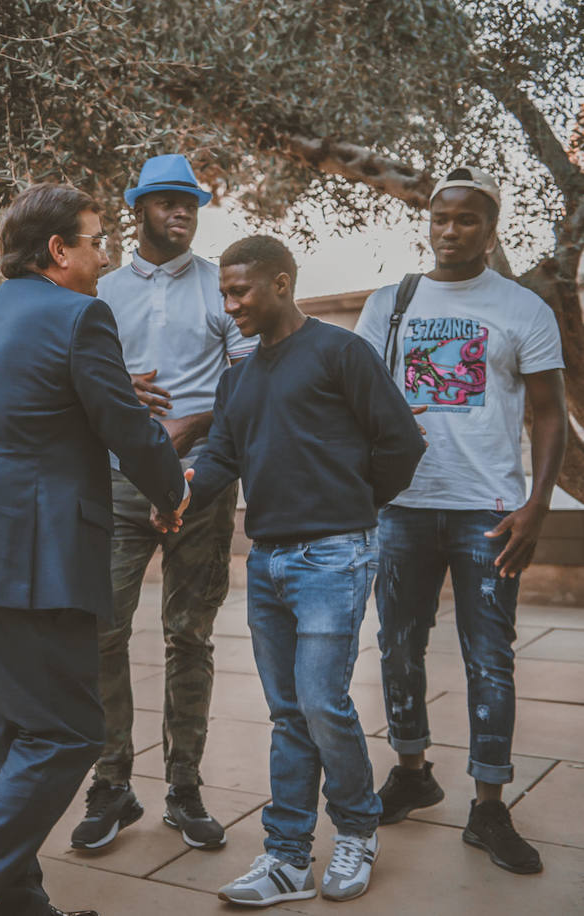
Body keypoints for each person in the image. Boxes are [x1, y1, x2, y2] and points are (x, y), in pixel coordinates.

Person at [0, 183, 187, 916]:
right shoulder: (81, 315)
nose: (106, 253)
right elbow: (125, 426)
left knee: (3, 734)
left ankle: (20, 903)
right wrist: (172, 490)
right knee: (68, 733)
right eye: (97, 239)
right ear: (59, 251)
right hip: (34, 565)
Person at [180, 236, 424, 906]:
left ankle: (356, 830)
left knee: (321, 701)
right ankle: (287, 858)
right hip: (267, 561)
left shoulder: (341, 352)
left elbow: (400, 443)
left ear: (281, 283)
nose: (230, 306)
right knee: (290, 713)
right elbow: (221, 459)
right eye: (224, 294)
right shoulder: (239, 377)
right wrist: (173, 489)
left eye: (241, 292)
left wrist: (354, 504)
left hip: (334, 555)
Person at [353, 167, 567, 876]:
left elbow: (547, 411)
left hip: (489, 510)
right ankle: (412, 769)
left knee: (490, 657)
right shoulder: (389, 303)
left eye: (467, 219)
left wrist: (536, 504)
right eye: (441, 217)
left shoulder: (523, 308)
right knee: (397, 646)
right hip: (403, 508)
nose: (450, 230)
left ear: (491, 226)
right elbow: (358, 401)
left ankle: (488, 804)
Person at [72, 154, 253, 852]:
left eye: (190, 203)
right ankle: (112, 785)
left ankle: (185, 788)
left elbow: (246, 380)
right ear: (138, 209)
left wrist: (191, 428)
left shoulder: (221, 287)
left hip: (202, 483)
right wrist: (120, 396)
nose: (180, 212)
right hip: (115, 482)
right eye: (166, 202)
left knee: (189, 635)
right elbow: (76, 381)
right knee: (101, 631)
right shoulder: (102, 291)